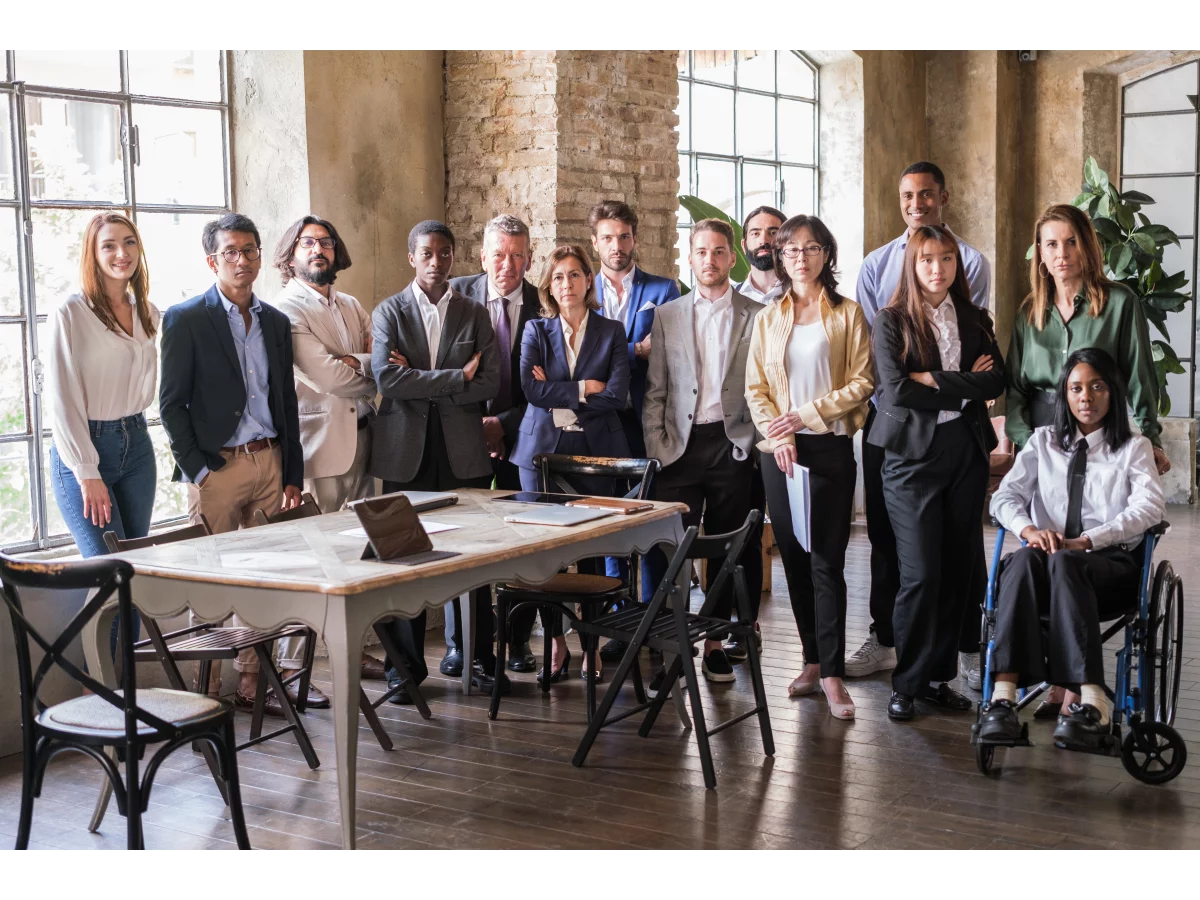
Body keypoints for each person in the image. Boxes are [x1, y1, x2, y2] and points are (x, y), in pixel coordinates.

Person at [1006, 203, 1170, 717]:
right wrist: (1025, 443)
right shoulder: (1030, 312)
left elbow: (1139, 377)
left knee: (1074, 550)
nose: (1061, 254)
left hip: (1103, 426)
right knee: (1039, 551)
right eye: (1051, 244)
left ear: (1087, 246)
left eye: (1071, 241)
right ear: (1040, 253)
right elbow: (1015, 389)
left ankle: (1073, 689)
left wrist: (1147, 439)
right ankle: (1043, 685)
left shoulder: (1118, 303)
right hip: (1046, 433)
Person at [849, 160, 992, 689]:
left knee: (960, 552)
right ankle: (889, 643)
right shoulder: (876, 267)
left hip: (958, 436)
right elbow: (886, 364)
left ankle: (962, 651)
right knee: (893, 544)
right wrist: (950, 383)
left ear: (943, 197)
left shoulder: (971, 264)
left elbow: (984, 366)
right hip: (895, 427)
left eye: (926, 194)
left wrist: (932, 378)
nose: (916, 204)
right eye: (907, 195)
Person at [982, 348, 1164, 750]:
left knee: (1066, 562)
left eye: (1097, 387)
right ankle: (1002, 699)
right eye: (1076, 388)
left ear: (1113, 392)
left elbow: (1150, 508)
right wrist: (1030, 529)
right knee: (1022, 561)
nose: (1086, 397)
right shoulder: (1043, 442)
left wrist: (1088, 540)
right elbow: (1004, 497)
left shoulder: (1133, 448)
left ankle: (1093, 701)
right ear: (1064, 394)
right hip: (1047, 565)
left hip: (1107, 569)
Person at [159, 213, 305, 714]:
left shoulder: (275, 322)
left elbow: (286, 400)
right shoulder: (186, 318)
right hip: (216, 468)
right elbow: (170, 404)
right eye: (230, 252)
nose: (242, 260)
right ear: (212, 261)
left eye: (250, 250)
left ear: (261, 255)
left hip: (270, 461)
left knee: (267, 577)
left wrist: (292, 472)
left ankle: (251, 681)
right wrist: (198, 469)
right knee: (211, 583)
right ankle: (205, 692)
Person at [868, 224, 1005, 722]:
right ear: (912, 263)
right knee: (921, 573)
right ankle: (906, 682)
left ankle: (935, 680)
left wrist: (934, 378)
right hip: (910, 459)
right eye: (926, 259)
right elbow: (896, 391)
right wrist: (964, 384)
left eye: (946, 258)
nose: (937, 268)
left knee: (957, 570)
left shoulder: (974, 317)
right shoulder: (891, 320)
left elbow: (997, 379)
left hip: (965, 452)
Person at [369, 220, 506, 700]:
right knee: (403, 562)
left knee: (473, 559)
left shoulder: (474, 313)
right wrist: (455, 377)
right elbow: (386, 379)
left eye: (444, 253)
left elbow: (489, 382)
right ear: (412, 257)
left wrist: (421, 378)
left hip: (462, 452)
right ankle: (403, 671)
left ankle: (476, 658)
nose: (436, 261)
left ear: (453, 257)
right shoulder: (389, 311)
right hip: (403, 453)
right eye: (426, 253)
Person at [745, 215, 872, 719]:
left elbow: (862, 382)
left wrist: (805, 416)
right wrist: (780, 434)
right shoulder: (768, 317)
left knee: (826, 562)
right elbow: (755, 388)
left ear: (826, 254)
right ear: (780, 256)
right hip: (780, 454)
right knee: (794, 560)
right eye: (791, 249)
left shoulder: (847, 314)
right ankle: (812, 661)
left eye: (811, 247)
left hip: (829, 449)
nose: (801, 257)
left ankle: (835, 674)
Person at [642, 219, 762, 687]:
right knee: (673, 550)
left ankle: (714, 644)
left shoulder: (757, 314)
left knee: (728, 551)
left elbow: (767, 384)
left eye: (718, 252)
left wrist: (750, 441)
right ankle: (673, 647)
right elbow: (656, 390)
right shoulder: (668, 315)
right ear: (689, 258)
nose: (709, 260)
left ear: (732, 257)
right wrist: (657, 446)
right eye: (701, 252)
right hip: (678, 448)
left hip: (732, 445)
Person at [271, 214, 387, 684]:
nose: (318, 249)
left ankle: (350, 652)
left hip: (366, 437)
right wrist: (364, 367)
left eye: (325, 242)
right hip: (319, 445)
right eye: (307, 243)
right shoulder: (286, 309)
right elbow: (329, 377)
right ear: (291, 254)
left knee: (357, 552)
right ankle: (291, 669)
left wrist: (359, 362)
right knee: (312, 557)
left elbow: (385, 363)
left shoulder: (352, 304)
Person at [510, 244, 630, 683]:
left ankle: (591, 645)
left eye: (575, 274)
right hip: (540, 453)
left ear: (588, 280)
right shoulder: (535, 330)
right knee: (546, 555)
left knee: (592, 553)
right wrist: (583, 387)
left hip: (596, 452)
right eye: (558, 276)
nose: (567, 284)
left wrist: (558, 389)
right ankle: (556, 642)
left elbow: (616, 395)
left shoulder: (611, 331)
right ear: (549, 285)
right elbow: (530, 390)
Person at [46, 212, 159, 658]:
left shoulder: (147, 312)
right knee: (109, 576)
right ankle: (98, 691)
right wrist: (86, 469)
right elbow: (61, 397)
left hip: (138, 446)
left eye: (129, 242)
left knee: (134, 572)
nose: (121, 253)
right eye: (108, 245)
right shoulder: (71, 312)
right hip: (86, 449)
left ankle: (123, 686)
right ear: (92, 254)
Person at [449, 215, 543, 674]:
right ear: (483, 256)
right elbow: (440, 368)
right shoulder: (453, 296)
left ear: (530, 258)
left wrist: (501, 426)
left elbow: (550, 381)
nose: (508, 265)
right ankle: (461, 643)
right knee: (463, 539)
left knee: (523, 538)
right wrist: (479, 427)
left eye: (517, 255)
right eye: (499, 254)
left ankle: (517, 639)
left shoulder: (544, 304)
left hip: (522, 435)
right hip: (462, 434)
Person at [733, 205, 786, 305]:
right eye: (755, 234)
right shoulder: (730, 298)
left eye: (773, 233)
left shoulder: (805, 295)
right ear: (744, 246)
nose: (763, 240)